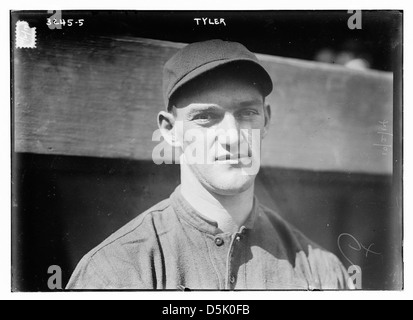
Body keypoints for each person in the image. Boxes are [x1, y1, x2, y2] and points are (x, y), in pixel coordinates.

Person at [66, 39, 353, 290]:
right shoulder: (117, 269)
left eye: (247, 112)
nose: (232, 136)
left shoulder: (322, 272)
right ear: (169, 130)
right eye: (205, 117)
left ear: (265, 119)